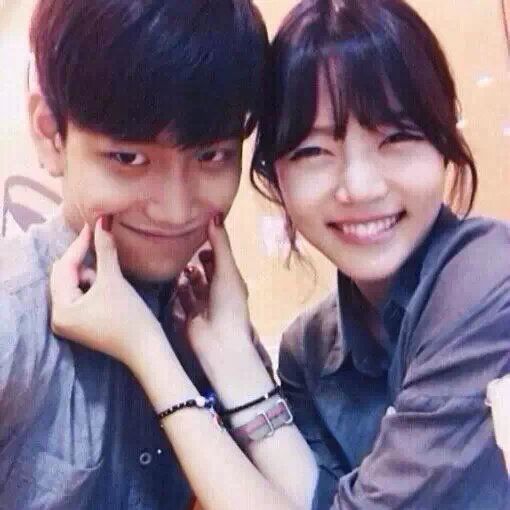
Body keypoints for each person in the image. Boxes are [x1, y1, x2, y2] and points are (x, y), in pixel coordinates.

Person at [48, 0, 510, 509]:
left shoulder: (490, 281)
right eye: (314, 151)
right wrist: (232, 357)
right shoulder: (308, 350)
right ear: (274, 175)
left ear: (443, 141)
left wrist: (146, 349)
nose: (360, 187)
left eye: (398, 137)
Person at [0, 0, 268, 508]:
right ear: (50, 135)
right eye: (128, 157)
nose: (175, 209)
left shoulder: (214, 319)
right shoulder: (12, 319)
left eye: (211, 155)